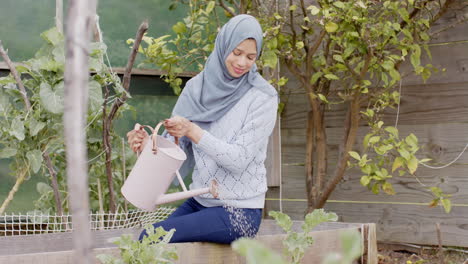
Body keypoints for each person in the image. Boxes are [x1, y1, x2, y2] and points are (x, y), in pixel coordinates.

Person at [126, 14, 278, 244]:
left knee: (150, 238)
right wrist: (149, 144)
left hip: (240, 212)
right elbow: (177, 147)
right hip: (200, 202)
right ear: (223, 46)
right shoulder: (196, 88)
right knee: (148, 241)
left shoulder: (262, 97)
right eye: (236, 53)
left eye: (250, 57)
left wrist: (193, 131)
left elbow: (239, 159)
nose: (241, 63)